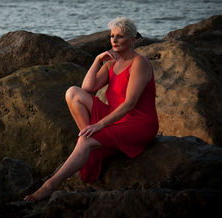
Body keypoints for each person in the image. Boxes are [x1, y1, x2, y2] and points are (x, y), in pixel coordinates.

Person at [24, 17, 159, 202]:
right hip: (115, 117)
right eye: (112, 36)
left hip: (137, 123)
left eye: (120, 36)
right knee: (72, 93)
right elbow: (87, 88)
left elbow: (130, 104)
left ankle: (50, 185)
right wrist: (97, 60)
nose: (114, 40)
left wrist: (99, 125)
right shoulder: (111, 63)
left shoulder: (139, 62)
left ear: (133, 40)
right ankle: (90, 145)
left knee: (87, 139)